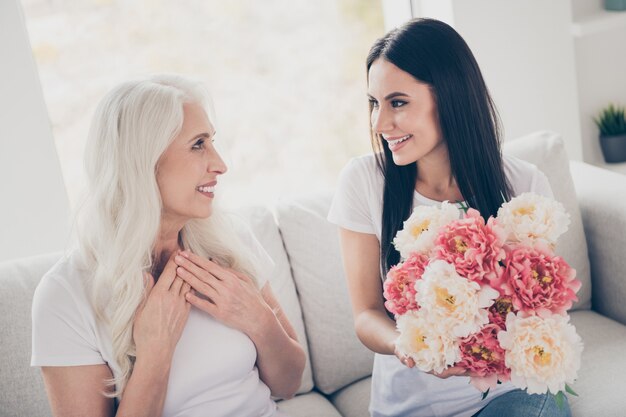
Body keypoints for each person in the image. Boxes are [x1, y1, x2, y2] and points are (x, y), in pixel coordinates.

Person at [327, 18, 571, 417]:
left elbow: (543, 303)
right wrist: (411, 347)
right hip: (407, 407)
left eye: (398, 102)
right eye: (374, 103)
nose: (379, 123)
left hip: (509, 398)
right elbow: (366, 314)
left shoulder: (525, 185)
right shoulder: (364, 181)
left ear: (450, 96)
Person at [31, 74, 305, 417]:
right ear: (143, 162)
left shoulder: (229, 239)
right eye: (198, 144)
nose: (220, 164)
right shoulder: (64, 296)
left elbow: (289, 383)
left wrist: (259, 320)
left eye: (212, 141)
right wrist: (155, 352)